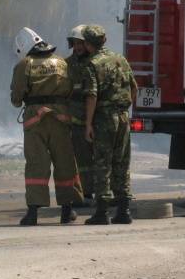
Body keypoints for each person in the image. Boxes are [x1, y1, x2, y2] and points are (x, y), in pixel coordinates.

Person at [10, 27, 83, 225]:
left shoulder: (24, 64)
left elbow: (16, 98)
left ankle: (33, 213)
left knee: (36, 164)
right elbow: (70, 89)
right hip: (61, 117)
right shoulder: (61, 62)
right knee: (65, 162)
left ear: (23, 49)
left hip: (36, 120)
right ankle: (67, 211)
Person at [82, 24, 138, 225]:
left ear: (88, 44)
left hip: (104, 119)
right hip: (123, 117)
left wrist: (88, 124)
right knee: (121, 163)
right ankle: (124, 210)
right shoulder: (120, 59)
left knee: (102, 163)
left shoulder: (92, 64)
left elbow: (92, 95)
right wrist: (124, 108)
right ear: (104, 40)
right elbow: (134, 87)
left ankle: (102, 212)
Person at [66, 24, 95, 204]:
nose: (77, 47)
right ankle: (84, 192)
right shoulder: (66, 64)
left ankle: (103, 192)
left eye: (81, 43)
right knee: (81, 160)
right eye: (75, 43)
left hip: (96, 120)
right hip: (76, 120)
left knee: (100, 158)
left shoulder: (96, 63)